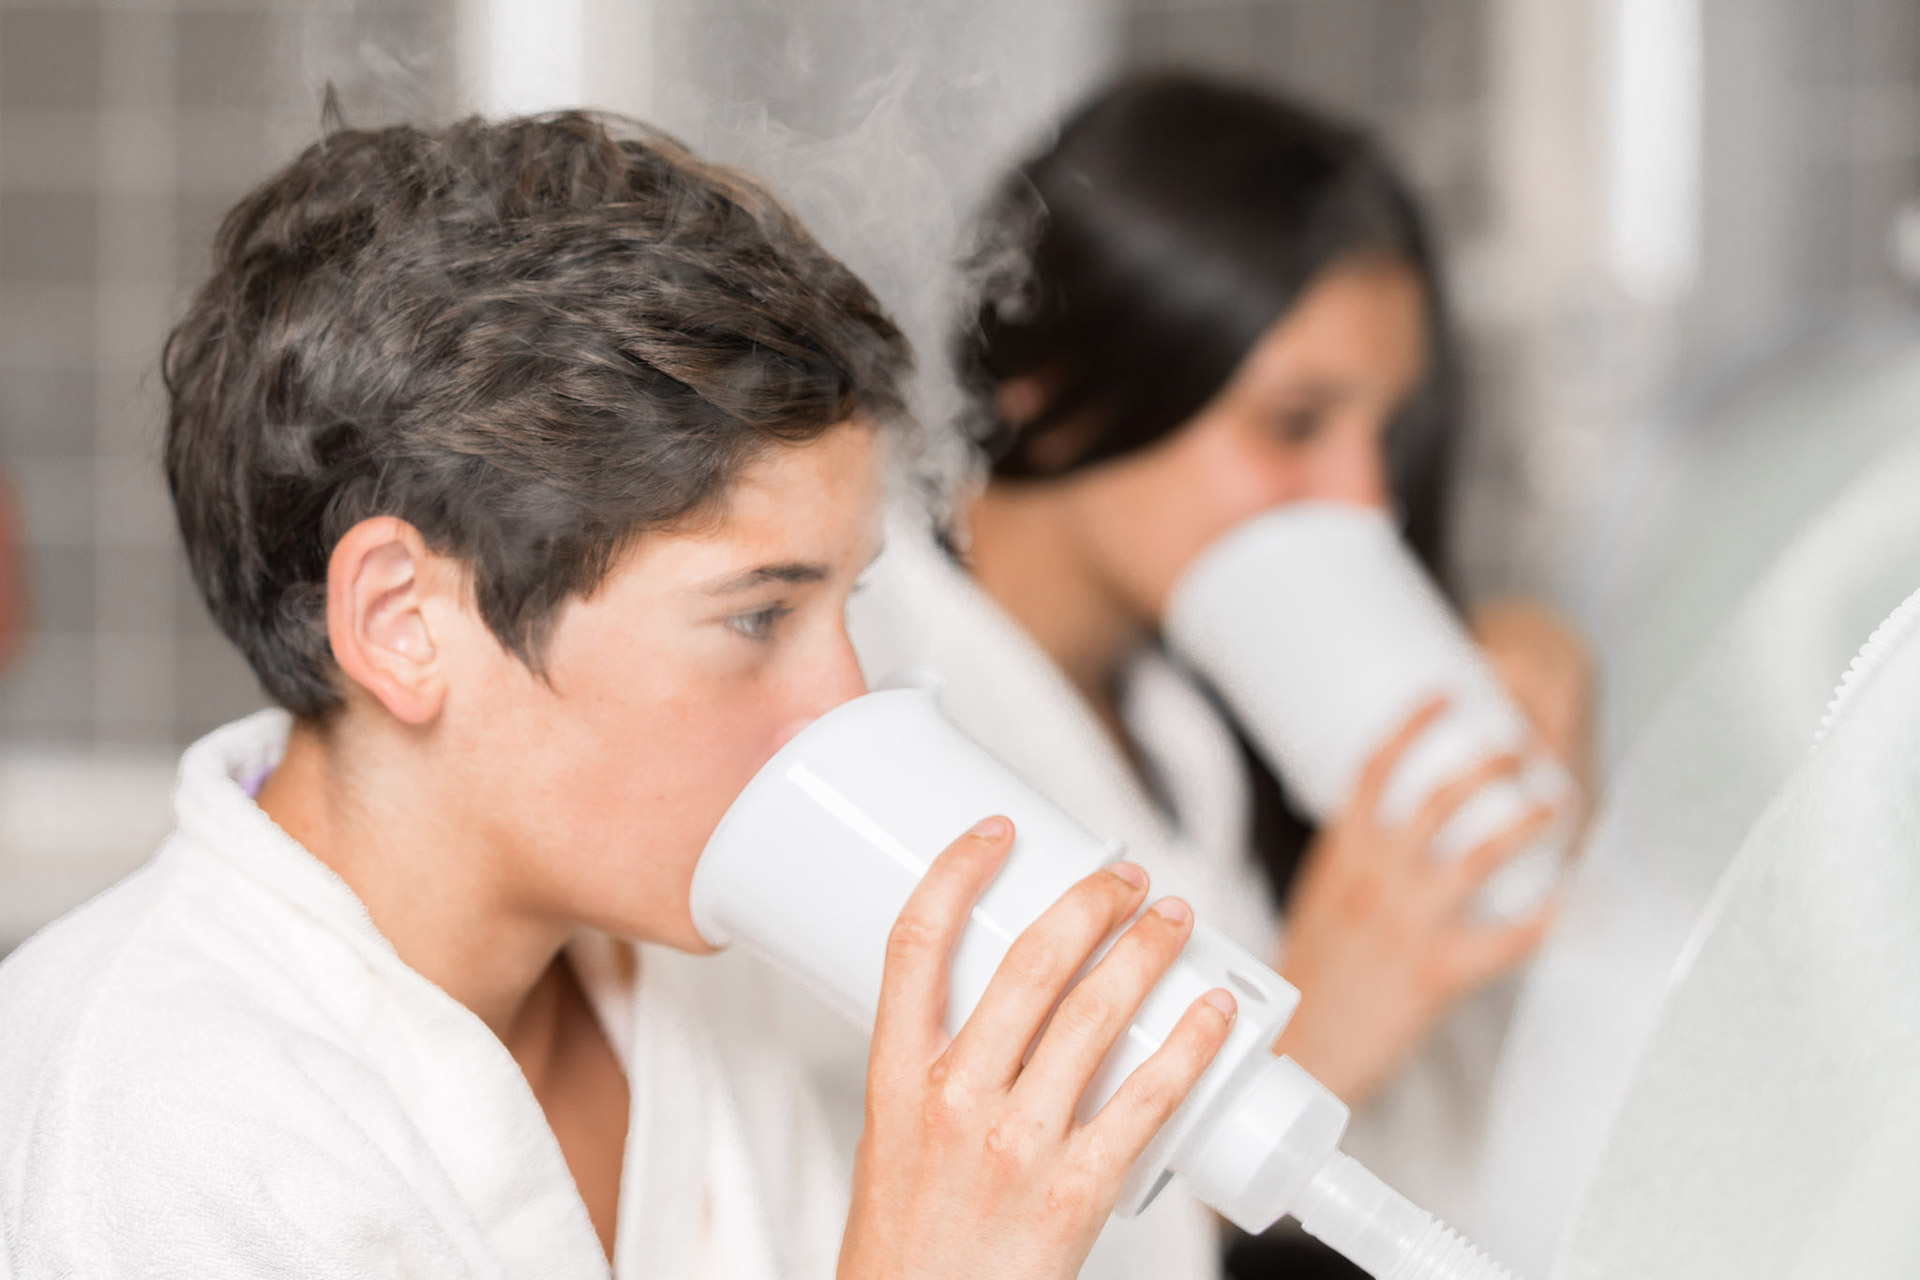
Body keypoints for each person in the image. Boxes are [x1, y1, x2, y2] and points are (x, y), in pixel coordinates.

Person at [0, 111, 1241, 1279]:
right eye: (757, 615)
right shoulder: (145, 1131)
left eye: (844, 604)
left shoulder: (697, 979)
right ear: (404, 621)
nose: (842, 701)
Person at [845, 74, 1594, 1277]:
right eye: (1294, 423)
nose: (1366, 498)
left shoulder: (1186, 715)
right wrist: (1307, 1048)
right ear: (1048, 381)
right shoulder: (867, 683)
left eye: (1382, 433)